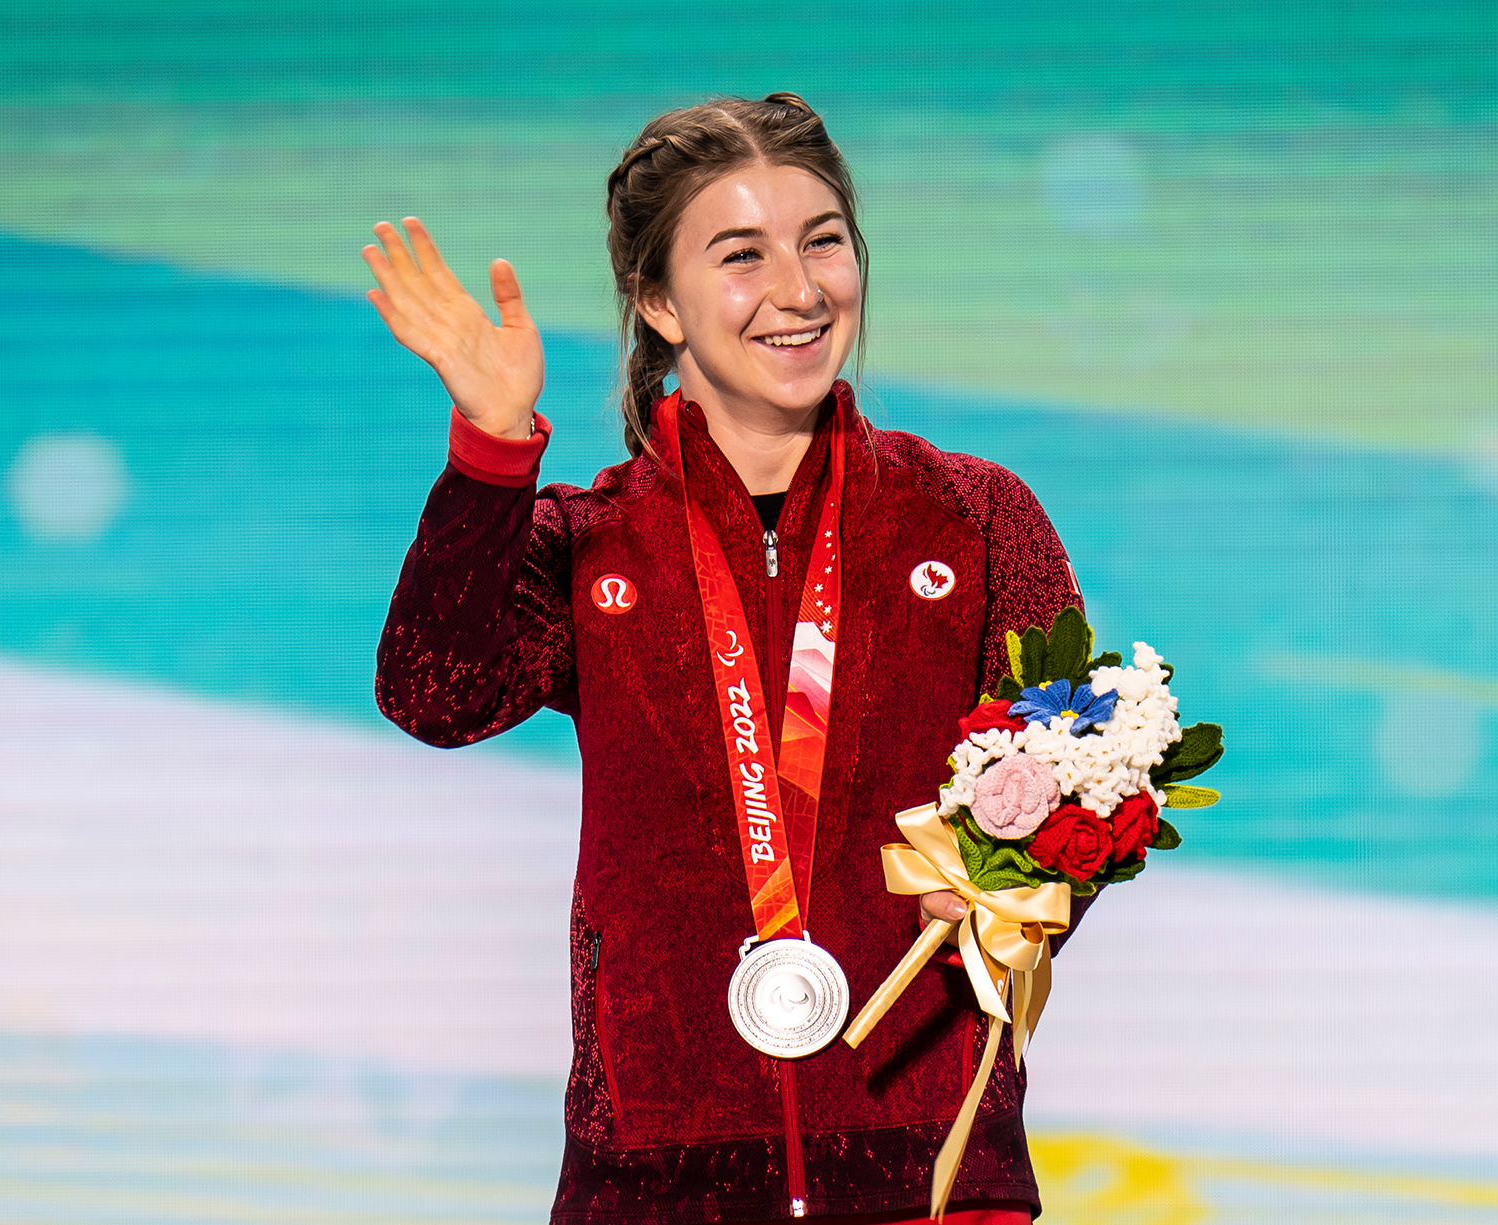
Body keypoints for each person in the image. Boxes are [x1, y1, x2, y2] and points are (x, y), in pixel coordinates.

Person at [365, 93, 1087, 1225]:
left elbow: (1082, 785)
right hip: (656, 1174)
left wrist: (1003, 899)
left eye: (823, 243)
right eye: (740, 256)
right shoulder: (586, 540)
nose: (798, 291)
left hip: (928, 1162)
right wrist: (493, 450)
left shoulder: (972, 515)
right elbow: (433, 695)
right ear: (658, 302)